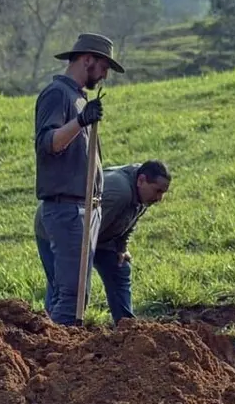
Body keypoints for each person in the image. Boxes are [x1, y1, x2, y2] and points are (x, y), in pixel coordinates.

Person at [33, 32, 123, 325]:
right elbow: (48, 143)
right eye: (104, 67)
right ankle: (58, 361)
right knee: (71, 297)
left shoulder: (79, 98)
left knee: (76, 295)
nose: (105, 75)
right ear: (87, 60)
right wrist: (81, 121)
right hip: (68, 208)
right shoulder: (57, 94)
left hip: (86, 208)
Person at [35, 160, 172, 323]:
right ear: (141, 180)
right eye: (157, 191)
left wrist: (121, 246)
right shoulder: (119, 192)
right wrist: (76, 262)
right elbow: (85, 227)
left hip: (98, 234)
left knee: (119, 268)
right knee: (65, 285)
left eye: (162, 192)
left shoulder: (143, 193)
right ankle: (50, 331)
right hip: (60, 230)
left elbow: (131, 217)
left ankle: (127, 327)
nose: (159, 198)